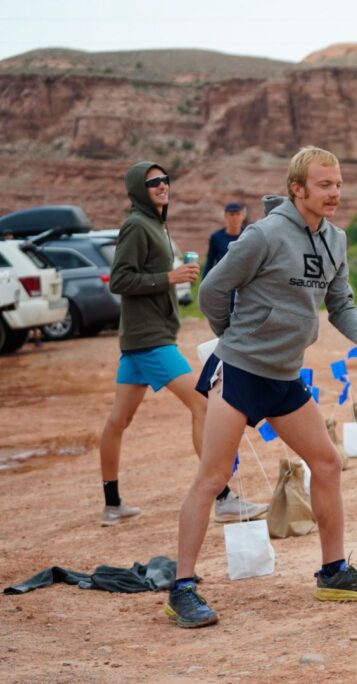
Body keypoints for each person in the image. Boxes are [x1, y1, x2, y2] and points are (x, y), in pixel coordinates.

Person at [165, 146, 357, 629]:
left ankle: (333, 571)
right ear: (298, 188)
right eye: (324, 185)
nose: (335, 193)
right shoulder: (265, 235)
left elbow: (341, 305)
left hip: (287, 377)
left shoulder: (336, 239)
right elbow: (212, 290)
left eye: (338, 184)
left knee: (327, 462)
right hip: (241, 372)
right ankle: (182, 588)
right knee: (213, 478)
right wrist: (234, 335)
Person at [101, 162, 268, 527]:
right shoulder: (136, 225)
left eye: (165, 180)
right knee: (202, 404)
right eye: (153, 182)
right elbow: (119, 280)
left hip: (141, 337)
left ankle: (112, 505)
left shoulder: (154, 223)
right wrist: (170, 277)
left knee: (118, 420)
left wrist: (173, 277)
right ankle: (222, 498)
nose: (162, 186)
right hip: (149, 339)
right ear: (137, 189)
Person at [203, 202, 246, 278]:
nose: (235, 217)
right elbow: (209, 263)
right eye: (232, 214)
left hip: (243, 281)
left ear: (243, 216)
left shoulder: (248, 236)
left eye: (238, 214)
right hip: (223, 280)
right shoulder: (216, 237)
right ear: (226, 216)